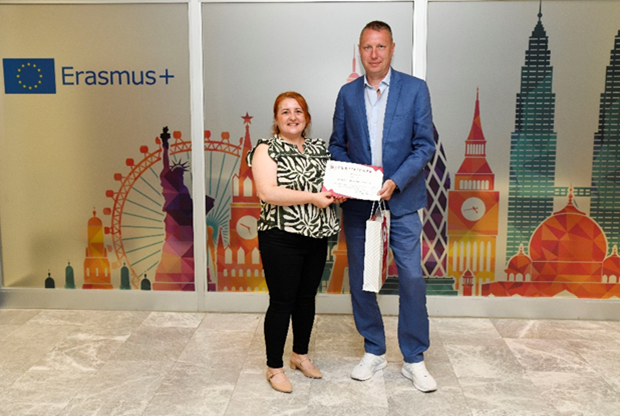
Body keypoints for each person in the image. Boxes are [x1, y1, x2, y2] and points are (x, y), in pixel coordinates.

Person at [329, 21, 437, 392]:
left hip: (402, 200)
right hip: (361, 205)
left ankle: (414, 358)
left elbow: (424, 145)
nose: (373, 54)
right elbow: (337, 144)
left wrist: (396, 180)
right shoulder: (347, 94)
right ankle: (373, 350)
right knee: (363, 280)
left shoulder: (415, 89)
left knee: (411, 278)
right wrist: (352, 180)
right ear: (359, 51)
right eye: (367, 47)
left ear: (392, 49)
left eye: (380, 46)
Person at [248, 91, 341, 393]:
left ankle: (300, 355)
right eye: (285, 111)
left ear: (307, 117)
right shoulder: (266, 149)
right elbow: (267, 192)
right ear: (276, 119)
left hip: (316, 236)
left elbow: (330, 185)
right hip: (280, 236)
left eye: (298, 111)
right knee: (282, 302)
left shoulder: (319, 148)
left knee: (306, 299)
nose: (292, 117)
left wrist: (338, 193)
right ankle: (274, 367)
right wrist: (313, 197)